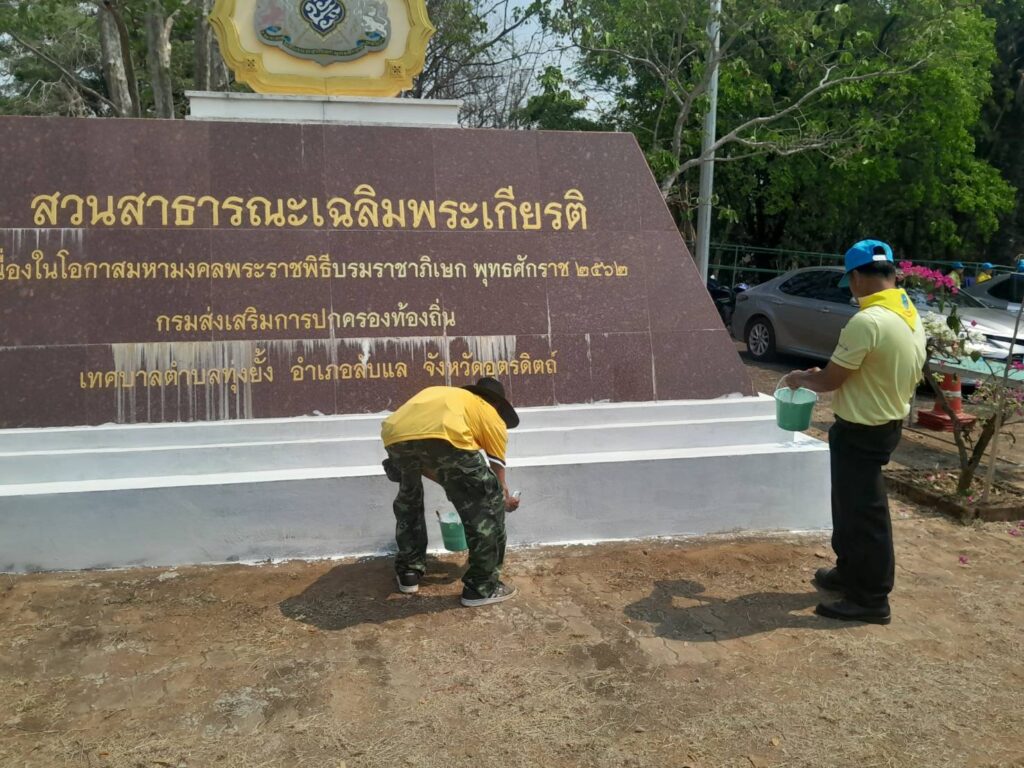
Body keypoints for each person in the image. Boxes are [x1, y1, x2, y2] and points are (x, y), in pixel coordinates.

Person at [783, 240, 926, 624]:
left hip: (863, 429)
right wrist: (826, 376)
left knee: (865, 516)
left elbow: (831, 380)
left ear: (858, 277)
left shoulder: (869, 321)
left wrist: (800, 378)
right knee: (849, 507)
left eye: (850, 280)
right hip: (882, 423)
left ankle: (871, 599)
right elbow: (866, 369)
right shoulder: (907, 312)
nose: (851, 288)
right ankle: (849, 571)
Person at [381, 377, 521, 607]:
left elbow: (431, 464)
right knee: (488, 503)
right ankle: (481, 587)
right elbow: (497, 475)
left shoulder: (444, 396)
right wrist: (502, 499)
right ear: (497, 404)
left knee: (409, 497)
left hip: (395, 436)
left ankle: (409, 571)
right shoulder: (488, 411)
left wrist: (455, 487)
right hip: (446, 439)